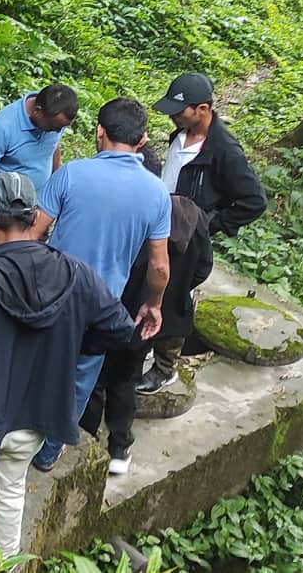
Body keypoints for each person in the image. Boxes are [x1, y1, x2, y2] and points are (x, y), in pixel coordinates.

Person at [0, 172, 136, 569]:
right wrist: (68, 349)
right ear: (36, 218)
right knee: (8, 497)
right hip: (33, 420)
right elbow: (121, 329)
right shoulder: (75, 274)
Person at [28, 98, 169, 473]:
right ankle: (48, 451)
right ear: (142, 140)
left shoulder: (71, 175)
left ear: (99, 132)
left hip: (52, 293)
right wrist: (153, 304)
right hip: (102, 306)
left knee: (36, 362)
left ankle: (17, 435)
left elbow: (33, 234)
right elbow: (159, 265)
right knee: (79, 378)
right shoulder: (157, 194)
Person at [139, 72, 265, 394]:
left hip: (186, 238)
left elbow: (253, 201)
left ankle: (165, 367)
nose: (173, 116)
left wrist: (208, 224)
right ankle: (140, 347)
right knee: (148, 289)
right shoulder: (180, 135)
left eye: (179, 112)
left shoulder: (224, 151)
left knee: (174, 302)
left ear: (203, 109)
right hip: (160, 226)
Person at [84, 192, 212, 475]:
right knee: (125, 379)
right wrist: (173, 295)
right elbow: (203, 268)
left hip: (126, 310)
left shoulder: (145, 220)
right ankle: (119, 448)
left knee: (96, 378)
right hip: (155, 319)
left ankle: (87, 441)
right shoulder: (197, 219)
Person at [0, 84, 78, 245]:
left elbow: (54, 149)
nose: (58, 131)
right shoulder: (2, 127)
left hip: (37, 210)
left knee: (29, 263)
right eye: (55, 127)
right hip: (4, 212)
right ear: (37, 111)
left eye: (61, 128)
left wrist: (55, 186)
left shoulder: (54, 121)